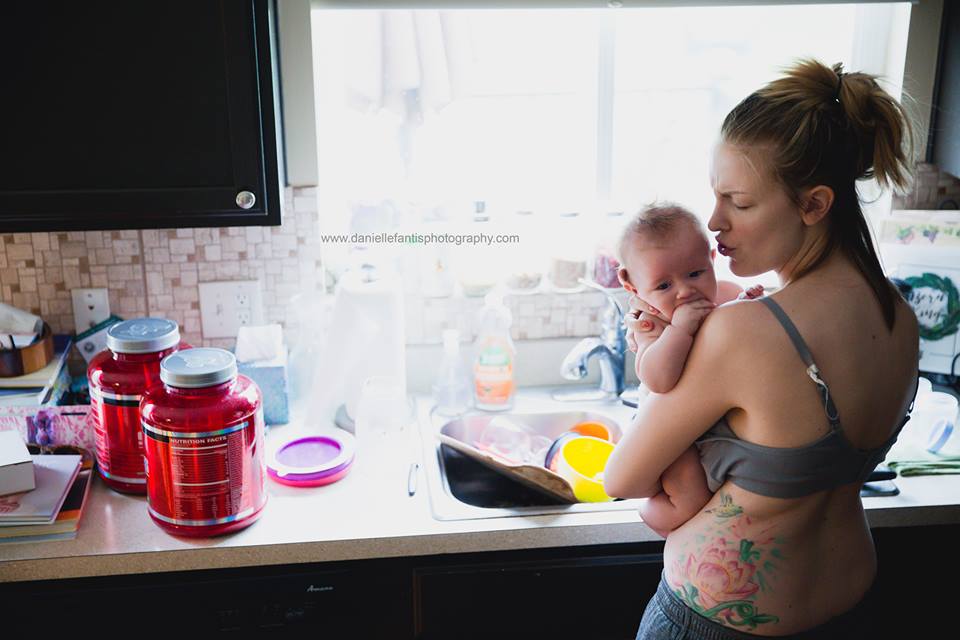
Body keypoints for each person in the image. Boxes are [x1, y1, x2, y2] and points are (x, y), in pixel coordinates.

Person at [604, 58, 919, 638]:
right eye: (715, 197)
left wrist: (661, 338)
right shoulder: (898, 314)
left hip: (716, 625)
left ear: (814, 205)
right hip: (854, 610)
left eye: (739, 202)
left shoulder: (747, 330)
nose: (715, 222)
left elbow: (621, 477)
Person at [615, 203, 763, 538]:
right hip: (672, 431)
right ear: (633, 287)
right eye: (663, 285)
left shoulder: (724, 293)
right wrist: (678, 330)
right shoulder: (650, 323)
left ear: (712, 259)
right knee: (689, 501)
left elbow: (744, 337)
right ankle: (650, 510)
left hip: (718, 422)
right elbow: (658, 380)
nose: (684, 290)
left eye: (695, 273)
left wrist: (750, 304)